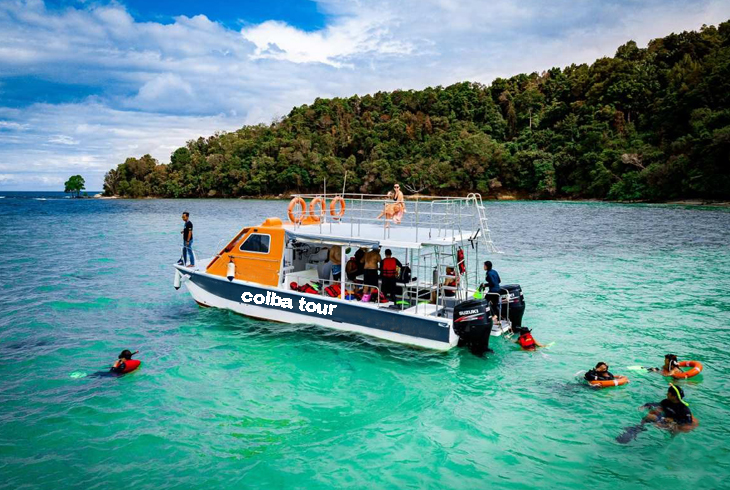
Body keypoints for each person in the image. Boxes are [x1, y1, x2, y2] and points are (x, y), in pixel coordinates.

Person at [617, 384, 695, 443]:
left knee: (672, 427)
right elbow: (656, 404)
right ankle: (637, 429)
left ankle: (668, 442)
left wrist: (673, 420)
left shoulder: (684, 409)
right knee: (649, 416)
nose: (667, 394)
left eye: (668, 393)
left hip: (672, 424)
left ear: (674, 396)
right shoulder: (666, 402)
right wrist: (646, 405)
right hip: (664, 419)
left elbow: (688, 421)